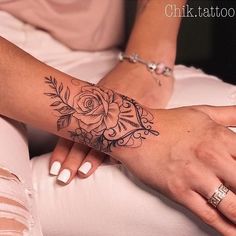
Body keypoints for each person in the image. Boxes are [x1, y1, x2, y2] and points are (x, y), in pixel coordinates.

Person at [0, 0, 236, 235]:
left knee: (220, 158)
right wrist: (136, 132)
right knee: (9, 219)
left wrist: (147, 59)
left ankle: (35, 193)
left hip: (89, 52)